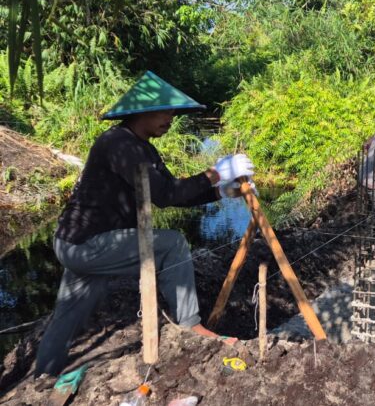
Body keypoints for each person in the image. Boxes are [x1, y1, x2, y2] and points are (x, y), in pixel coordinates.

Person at [35, 71, 255, 376]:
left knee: (71, 309)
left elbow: (173, 194)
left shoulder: (143, 148)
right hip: (88, 242)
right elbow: (163, 195)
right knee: (173, 243)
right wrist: (215, 173)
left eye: (174, 113)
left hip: (77, 242)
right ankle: (191, 325)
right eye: (165, 111)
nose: (171, 118)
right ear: (142, 111)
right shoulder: (118, 144)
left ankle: (45, 372)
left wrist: (220, 191)